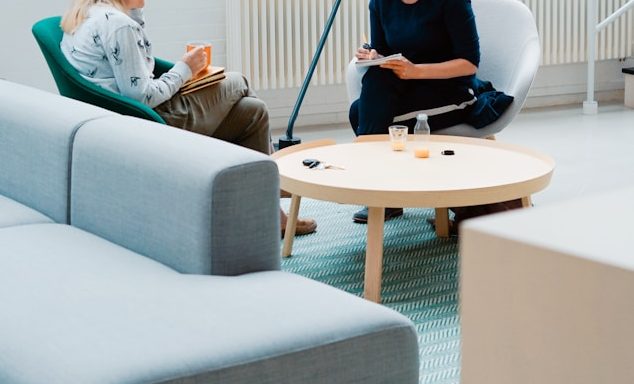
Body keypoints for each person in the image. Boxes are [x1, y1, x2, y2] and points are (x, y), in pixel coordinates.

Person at [60, 0, 316, 237]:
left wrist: (135, 11)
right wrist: (185, 68)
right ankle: (271, 183)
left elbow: (135, 73)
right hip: (152, 122)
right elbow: (142, 96)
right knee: (238, 81)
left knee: (253, 111)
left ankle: (270, 209)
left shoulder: (90, 14)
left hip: (123, 121)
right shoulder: (120, 26)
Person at [350, 0, 513, 225]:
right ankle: (386, 189)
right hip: (409, 87)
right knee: (358, 110)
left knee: (367, 116)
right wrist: (373, 57)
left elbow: (469, 63)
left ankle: (379, 189)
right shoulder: (380, 2)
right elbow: (384, 53)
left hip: (451, 91)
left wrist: (416, 71)